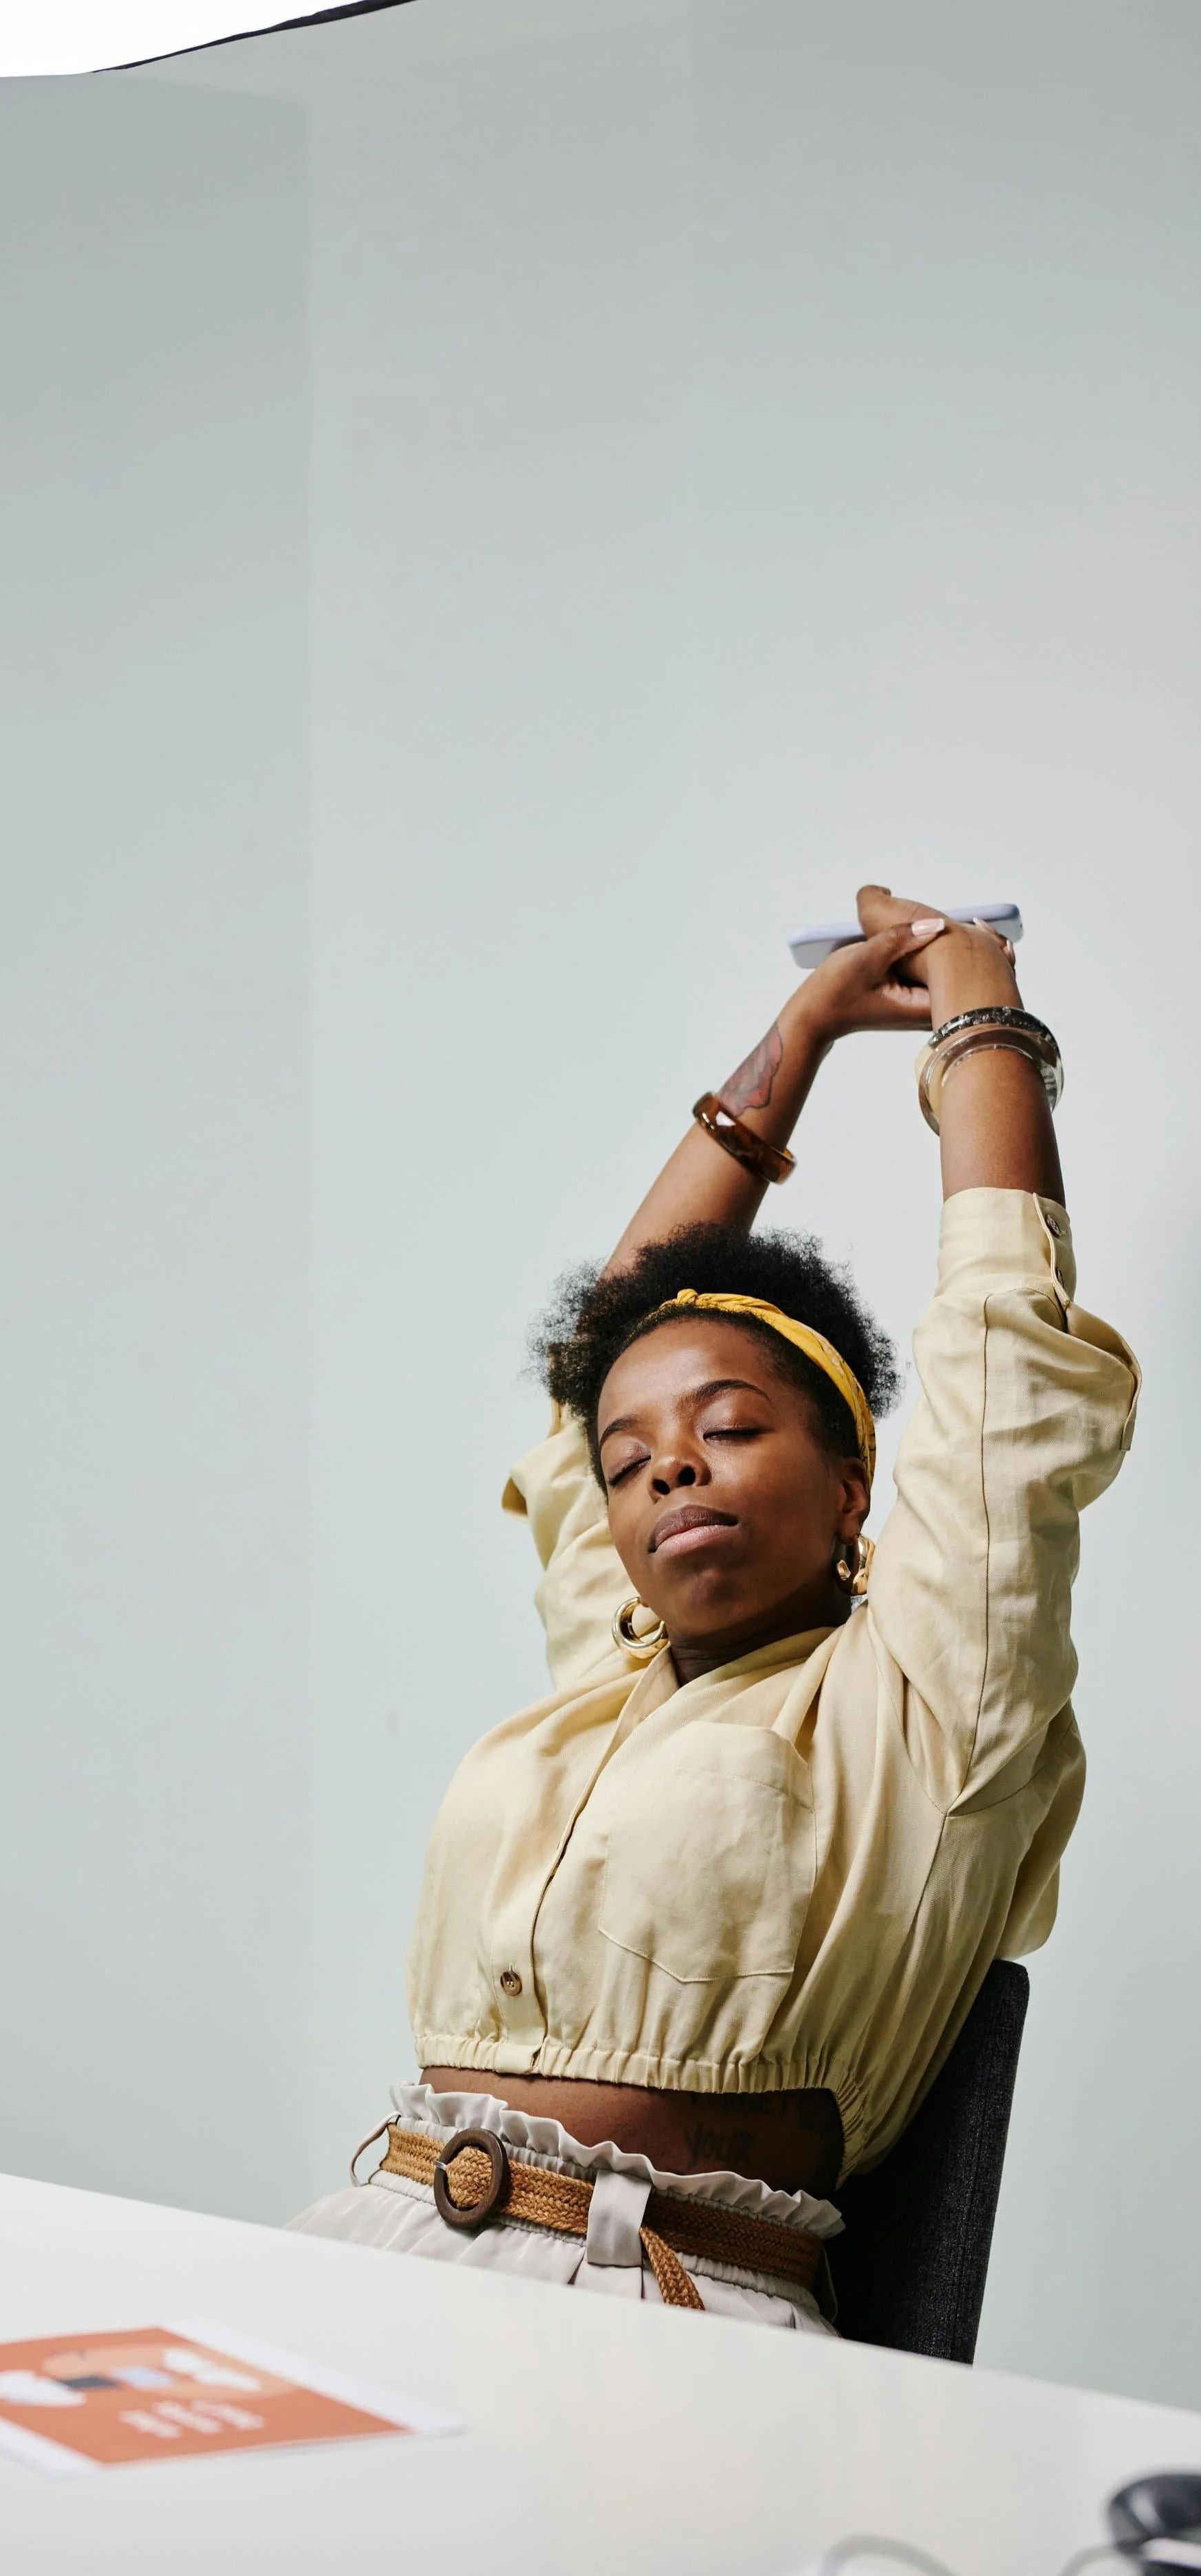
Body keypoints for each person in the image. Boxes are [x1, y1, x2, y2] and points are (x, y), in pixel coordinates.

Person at [288, 885, 1139, 2330]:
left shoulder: (926, 1704)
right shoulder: (606, 1681)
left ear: (856, 1485)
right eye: (628, 1462)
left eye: (729, 1426)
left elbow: (1005, 1368)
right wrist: (788, 1045)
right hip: (377, 2248)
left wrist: (978, 1023)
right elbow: (595, 1377)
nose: (664, 1461)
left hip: (657, 2304)